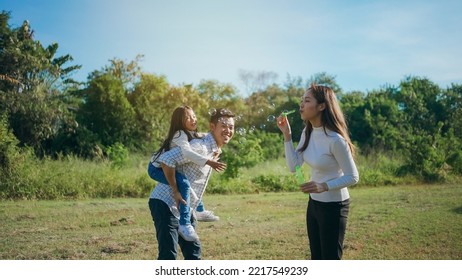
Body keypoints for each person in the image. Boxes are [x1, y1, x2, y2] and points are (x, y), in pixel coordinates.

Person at [276, 83, 359, 260]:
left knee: (329, 259)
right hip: (314, 204)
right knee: (316, 258)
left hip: (334, 207)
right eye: (301, 101)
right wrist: (287, 136)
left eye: (307, 101)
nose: (301, 105)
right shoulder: (308, 131)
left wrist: (324, 186)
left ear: (321, 106)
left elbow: (353, 176)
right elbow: (294, 167)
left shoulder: (336, 140)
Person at [148, 108, 235, 260]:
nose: (228, 130)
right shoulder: (200, 147)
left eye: (231, 127)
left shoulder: (212, 148)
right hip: (165, 203)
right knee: (168, 256)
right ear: (212, 127)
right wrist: (175, 190)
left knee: (193, 254)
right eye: (224, 126)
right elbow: (166, 160)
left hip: (186, 208)